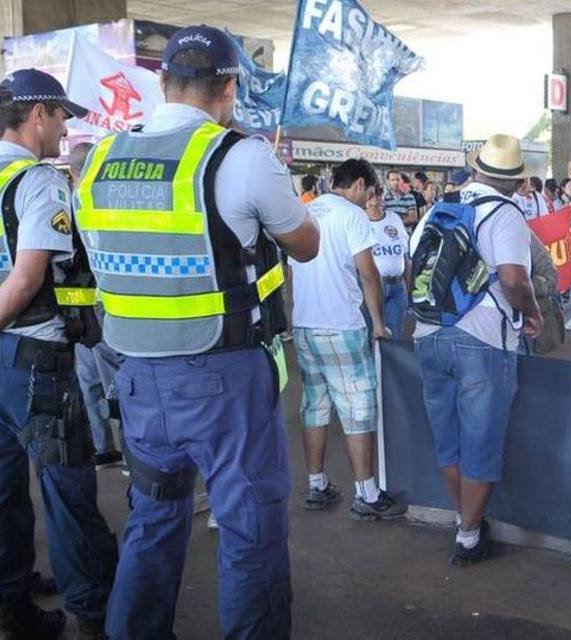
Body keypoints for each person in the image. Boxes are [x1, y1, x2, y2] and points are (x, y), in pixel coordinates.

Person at [74, 26, 320, 639]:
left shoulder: (98, 160)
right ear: (230, 86)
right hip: (221, 377)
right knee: (250, 528)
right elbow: (306, 245)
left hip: (133, 379)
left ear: (162, 82)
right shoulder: (239, 155)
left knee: (153, 520)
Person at [0, 68, 118, 640]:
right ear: (38, 113)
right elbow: (25, 282)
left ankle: (11, 606)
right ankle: (96, 615)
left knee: (2, 489)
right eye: (62, 114)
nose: (65, 126)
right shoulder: (37, 181)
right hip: (35, 358)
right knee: (68, 489)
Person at [412, 134, 541, 566]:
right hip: (482, 339)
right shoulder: (504, 214)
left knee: (447, 439)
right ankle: (468, 536)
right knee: (480, 441)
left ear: (478, 169)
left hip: (427, 333)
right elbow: (513, 280)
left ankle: (464, 521)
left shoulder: (439, 207)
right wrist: (532, 314)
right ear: (515, 181)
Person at [291, 158, 406, 520]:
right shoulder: (351, 215)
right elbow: (368, 274)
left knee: (315, 406)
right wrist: (378, 323)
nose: (369, 197)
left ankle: (317, 484)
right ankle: (367, 494)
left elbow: (291, 271)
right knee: (358, 410)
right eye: (370, 190)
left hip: (305, 326)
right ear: (358, 184)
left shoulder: (304, 211)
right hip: (341, 324)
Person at [66, 142, 125, 469]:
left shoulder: (65, 201)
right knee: (116, 383)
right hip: (103, 307)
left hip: (76, 310)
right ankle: (131, 452)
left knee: (88, 380)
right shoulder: (101, 201)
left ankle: (103, 448)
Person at [365, 184, 410, 340]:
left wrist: (409, 288)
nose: (375, 201)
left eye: (378, 195)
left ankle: (390, 365)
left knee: (395, 338)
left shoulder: (394, 218)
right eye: (370, 197)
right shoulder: (359, 222)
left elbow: (405, 256)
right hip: (373, 287)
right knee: (373, 336)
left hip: (398, 287)